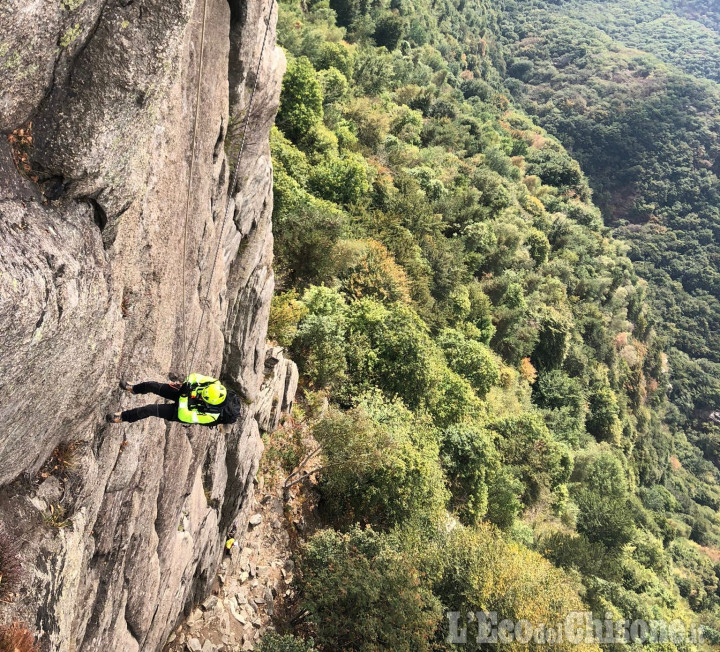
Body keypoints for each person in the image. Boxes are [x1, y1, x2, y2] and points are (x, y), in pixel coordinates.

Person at [106, 373, 231, 426]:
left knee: (149, 410)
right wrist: (186, 385)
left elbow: (184, 416)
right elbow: (194, 376)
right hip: (185, 393)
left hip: (181, 411)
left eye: (203, 397)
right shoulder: (214, 383)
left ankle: (122, 417)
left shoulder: (210, 415)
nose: (200, 396)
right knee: (152, 386)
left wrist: (183, 397)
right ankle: (134, 388)